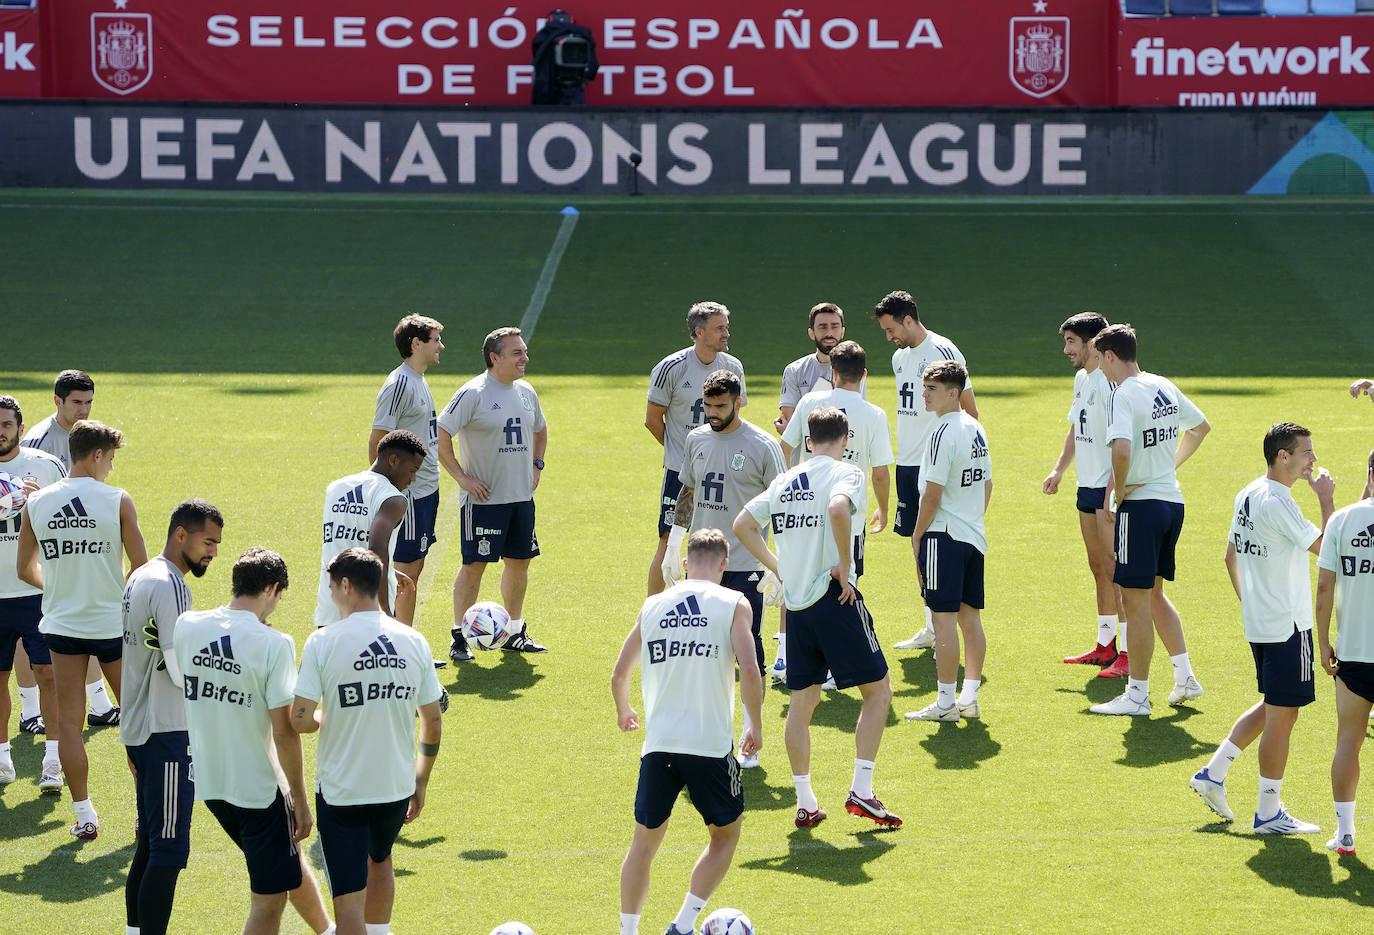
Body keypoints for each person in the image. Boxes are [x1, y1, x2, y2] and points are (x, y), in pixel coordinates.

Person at [734, 407, 900, 829]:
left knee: (802, 703)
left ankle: (806, 801)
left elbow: (742, 525)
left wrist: (779, 567)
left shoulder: (785, 480)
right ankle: (861, 791)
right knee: (878, 693)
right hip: (834, 597)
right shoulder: (848, 473)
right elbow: (839, 510)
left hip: (798, 606)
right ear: (845, 440)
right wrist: (845, 564)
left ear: (808, 441)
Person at [613, 529, 762, 935]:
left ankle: (629, 932)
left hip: (658, 745)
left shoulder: (653, 604)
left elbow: (619, 673)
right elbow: (749, 669)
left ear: (684, 563)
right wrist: (754, 724)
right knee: (725, 837)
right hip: (710, 746)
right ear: (723, 565)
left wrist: (624, 709)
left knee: (642, 846)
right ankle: (682, 924)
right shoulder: (734, 602)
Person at [1188, 423, 1334, 833]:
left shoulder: (1248, 494)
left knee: (1274, 705)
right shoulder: (1279, 503)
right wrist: (1326, 500)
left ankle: (1213, 775)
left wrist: (1250, 602)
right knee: (1283, 716)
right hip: (1290, 625)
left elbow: (1229, 556)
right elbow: (1329, 549)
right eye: (1307, 452)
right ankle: (1268, 812)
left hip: (1261, 623)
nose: (1313, 459)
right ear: (1283, 456)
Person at [292, 548, 443, 935]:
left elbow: (300, 718)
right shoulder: (413, 641)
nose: (330, 595)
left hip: (343, 792)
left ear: (345, 585)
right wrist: (420, 780)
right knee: (382, 857)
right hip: (395, 786)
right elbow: (432, 722)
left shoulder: (322, 642)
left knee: (348, 910)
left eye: (331, 587)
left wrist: (326, 716)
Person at [170, 547, 312, 935]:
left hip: (212, 786)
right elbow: (285, 732)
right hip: (258, 791)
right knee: (269, 902)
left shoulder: (187, 626)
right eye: (280, 596)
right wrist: (299, 799)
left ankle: (328, 929)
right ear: (271, 589)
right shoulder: (274, 644)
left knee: (283, 868)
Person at [16, 419, 147, 839]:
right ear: (95, 455)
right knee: (137, 721)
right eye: (110, 459)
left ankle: (85, 815)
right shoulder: (117, 500)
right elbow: (143, 571)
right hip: (112, 626)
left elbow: (24, 570)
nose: (111, 467)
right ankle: (146, 815)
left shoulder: (36, 504)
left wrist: (55, 587)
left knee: (70, 724)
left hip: (61, 627)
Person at [661, 370, 784, 768]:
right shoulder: (696, 439)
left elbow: (783, 507)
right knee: (702, 650)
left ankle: (751, 736)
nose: (712, 413)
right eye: (708, 405)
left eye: (720, 406)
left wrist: (777, 564)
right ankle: (707, 733)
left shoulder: (763, 446)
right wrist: (674, 543)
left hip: (746, 565)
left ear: (739, 401)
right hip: (702, 565)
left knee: (748, 652)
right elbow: (690, 489)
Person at [1088, 324, 1209, 717]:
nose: (1100, 369)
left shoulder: (1122, 394)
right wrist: (1166, 468)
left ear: (1109, 355)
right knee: (1153, 594)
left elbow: (1121, 450)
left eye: (1099, 359)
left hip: (1141, 508)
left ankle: (1137, 695)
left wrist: (1119, 492)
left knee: (1135, 601)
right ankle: (1185, 677)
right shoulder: (1162, 384)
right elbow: (1200, 427)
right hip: (1172, 503)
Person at [120, 499, 223, 935]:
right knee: (167, 849)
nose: (213, 552)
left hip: (141, 728)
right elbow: (180, 668)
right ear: (180, 534)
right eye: (208, 541)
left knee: (148, 844)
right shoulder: (172, 585)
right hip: (166, 731)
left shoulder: (140, 576)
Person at [780, 341, 893, 686]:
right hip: (849, 518)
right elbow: (880, 472)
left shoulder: (811, 402)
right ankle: (834, 666)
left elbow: (785, 447)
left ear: (832, 372)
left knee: (800, 580)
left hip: (803, 514)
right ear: (864, 375)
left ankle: (789, 659)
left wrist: (788, 488)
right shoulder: (874, 414)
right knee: (844, 585)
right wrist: (884, 510)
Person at [873, 290, 978, 653]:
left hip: (936, 464)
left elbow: (970, 413)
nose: (889, 338)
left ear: (907, 319)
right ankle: (933, 623)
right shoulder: (900, 358)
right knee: (918, 545)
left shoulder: (944, 351)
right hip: (907, 462)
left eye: (891, 329)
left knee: (938, 543)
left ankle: (945, 622)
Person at [437, 326, 549, 660]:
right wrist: (462, 478)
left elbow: (541, 430)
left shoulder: (527, 392)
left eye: (524, 352)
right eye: (517, 353)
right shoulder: (473, 393)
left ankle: (514, 631)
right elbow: (441, 433)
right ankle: (460, 636)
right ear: (494, 358)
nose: (525, 358)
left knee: (520, 563)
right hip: (484, 502)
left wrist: (536, 465)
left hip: (520, 499)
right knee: (474, 565)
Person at [21, 369, 119, 728]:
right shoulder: (39, 441)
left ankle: (97, 704)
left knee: (74, 625)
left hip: (77, 540)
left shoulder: (89, 436)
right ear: (57, 401)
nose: (84, 409)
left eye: (89, 402)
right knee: (35, 623)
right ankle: (31, 709)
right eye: (77, 402)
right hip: (49, 544)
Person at [1042, 313, 1129, 677]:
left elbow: (1123, 440)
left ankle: (1127, 652)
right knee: (1098, 567)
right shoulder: (1082, 379)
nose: (1066, 350)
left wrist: (1113, 488)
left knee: (1116, 569)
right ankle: (1105, 645)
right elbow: (1075, 427)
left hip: (1107, 487)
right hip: (1086, 485)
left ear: (1093, 343)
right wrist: (1060, 469)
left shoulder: (1112, 385)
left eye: (1071, 342)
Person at [905, 362, 992, 722]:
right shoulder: (976, 428)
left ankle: (944, 704)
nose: (923, 394)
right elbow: (987, 485)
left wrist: (918, 534)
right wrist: (972, 518)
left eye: (931, 388)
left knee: (943, 621)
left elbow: (932, 494)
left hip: (944, 535)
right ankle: (968, 698)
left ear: (953, 392)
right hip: (972, 535)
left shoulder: (943, 431)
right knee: (969, 619)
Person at [645, 302, 747, 597]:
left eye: (726, 326)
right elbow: (653, 420)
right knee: (668, 541)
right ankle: (652, 613)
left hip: (721, 471)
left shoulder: (733, 367)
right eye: (720, 328)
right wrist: (689, 454)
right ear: (698, 332)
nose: (726, 333)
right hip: (681, 473)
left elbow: (736, 420)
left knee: (717, 540)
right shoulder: (670, 368)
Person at [0, 394, 64, 788]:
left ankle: (53, 761)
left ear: (21, 429)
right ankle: (3, 760)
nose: (0, 432)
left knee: (48, 674)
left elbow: (70, 521)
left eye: (6, 424)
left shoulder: (47, 467)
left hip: (37, 592)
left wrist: (37, 501)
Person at [1316, 449, 1374, 854]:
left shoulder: (1341, 519)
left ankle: (1347, 832)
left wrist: (1323, 642)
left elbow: (1323, 587)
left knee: (1348, 743)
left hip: (1353, 652)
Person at [370, 314, 444, 628]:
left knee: (415, 566)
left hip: (426, 488)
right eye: (436, 339)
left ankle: (406, 641)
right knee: (405, 570)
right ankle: (398, 646)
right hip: (408, 492)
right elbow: (378, 439)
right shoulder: (399, 384)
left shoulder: (418, 379)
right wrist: (383, 490)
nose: (442, 345)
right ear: (416, 344)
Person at [315, 430, 426, 629]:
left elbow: (346, 543)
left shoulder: (336, 488)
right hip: (366, 611)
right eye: (412, 470)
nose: (413, 478)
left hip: (331, 605)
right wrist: (382, 607)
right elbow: (376, 546)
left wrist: (391, 572)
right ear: (393, 460)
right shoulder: (393, 499)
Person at [775, 302, 848, 442]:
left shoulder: (853, 370)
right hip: (802, 461)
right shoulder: (794, 370)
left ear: (842, 331)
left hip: (840, 459)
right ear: (811, 333)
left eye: (834, 326)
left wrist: (798, 427)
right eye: (822, 327)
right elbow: (789, 420)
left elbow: (852, 419)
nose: (829, 333)